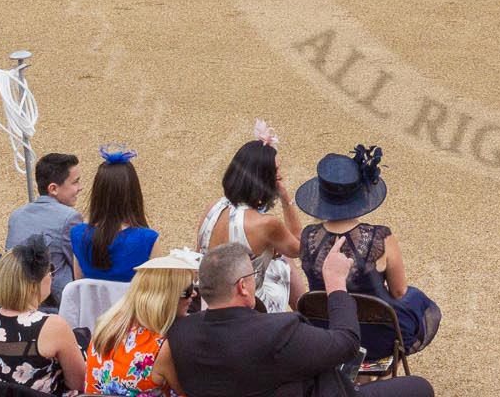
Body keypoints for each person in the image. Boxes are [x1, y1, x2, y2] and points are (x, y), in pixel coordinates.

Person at [163, 242, 433, 397]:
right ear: (243, 287)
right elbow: (347, 343)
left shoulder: (179, 334)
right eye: (252, 275)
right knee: (419, 388)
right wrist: (336, 282)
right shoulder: (277, 331)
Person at [294, 146, 440, 363]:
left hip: (327, 334)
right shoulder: (381, 238)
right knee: (416, 299)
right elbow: (399, 291)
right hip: (377, 338)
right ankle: (384, 375)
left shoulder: (306, 238)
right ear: (360, 194)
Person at [195, 128, 303, 313]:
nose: (280, 176)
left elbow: (197, 255)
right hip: (252, 307)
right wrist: (286, 199)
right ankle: (306, 317)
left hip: (209, 303)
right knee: (285, 262)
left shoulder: (212, 208)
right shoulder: (267, 224)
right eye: (276, 172)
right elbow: (299, 247)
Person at [0, 242, 86, 394]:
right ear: (34, 283)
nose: (51, 277)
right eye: (50, 270)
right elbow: (78, 383)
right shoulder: (52, 326)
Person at [82, 248, 196, 397]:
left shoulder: (106, 327)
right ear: (167, 298)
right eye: (187, 290)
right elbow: (190, 392)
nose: (194, 294)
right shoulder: (161, 348)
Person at [6, 153, 84, 305]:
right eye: (75, 182)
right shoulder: (70, 218)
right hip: (54, 303)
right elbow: (79, 267)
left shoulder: (16, 215)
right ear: (53, 188)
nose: (80, 187)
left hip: (16, 300)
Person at [69, 149, 155, 283]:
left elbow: (80, 286)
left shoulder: (79, 235)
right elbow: (156, 291)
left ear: (97, 193)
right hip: (133, 304)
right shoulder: (148, 239)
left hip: (92, 304)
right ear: (134, 193)